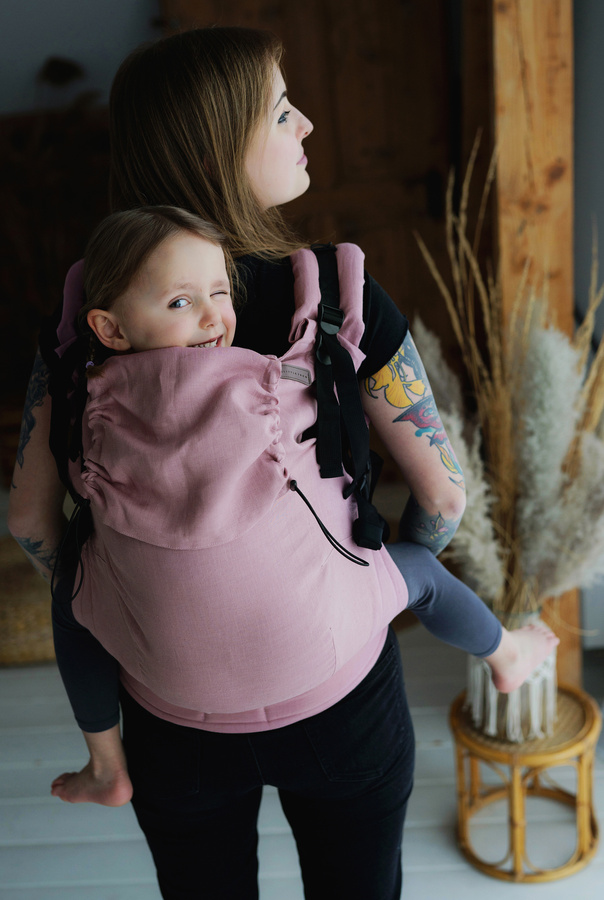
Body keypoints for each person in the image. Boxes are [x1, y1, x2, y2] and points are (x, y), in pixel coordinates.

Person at [8, 28, 557, 900]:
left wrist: (136, 596)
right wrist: (371, 582)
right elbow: (445, 498)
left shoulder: (90, 320)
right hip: (339, 697)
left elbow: (30, 522)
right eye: (280, 111)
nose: (304, 125)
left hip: (168, 711)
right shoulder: (339, 297)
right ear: (214, 150)